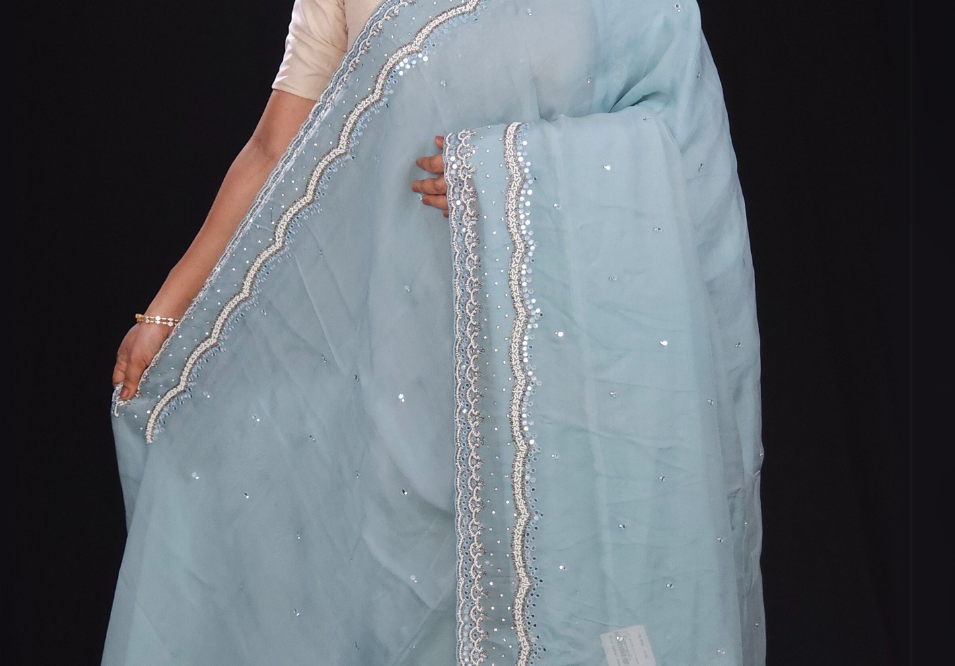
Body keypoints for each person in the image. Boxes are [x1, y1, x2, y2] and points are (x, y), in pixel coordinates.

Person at [106, 1, 765, 664]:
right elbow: (276, 148)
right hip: (394, 378)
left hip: (560, 376)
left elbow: (680, 142)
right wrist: (166, 312)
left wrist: (513, 173)